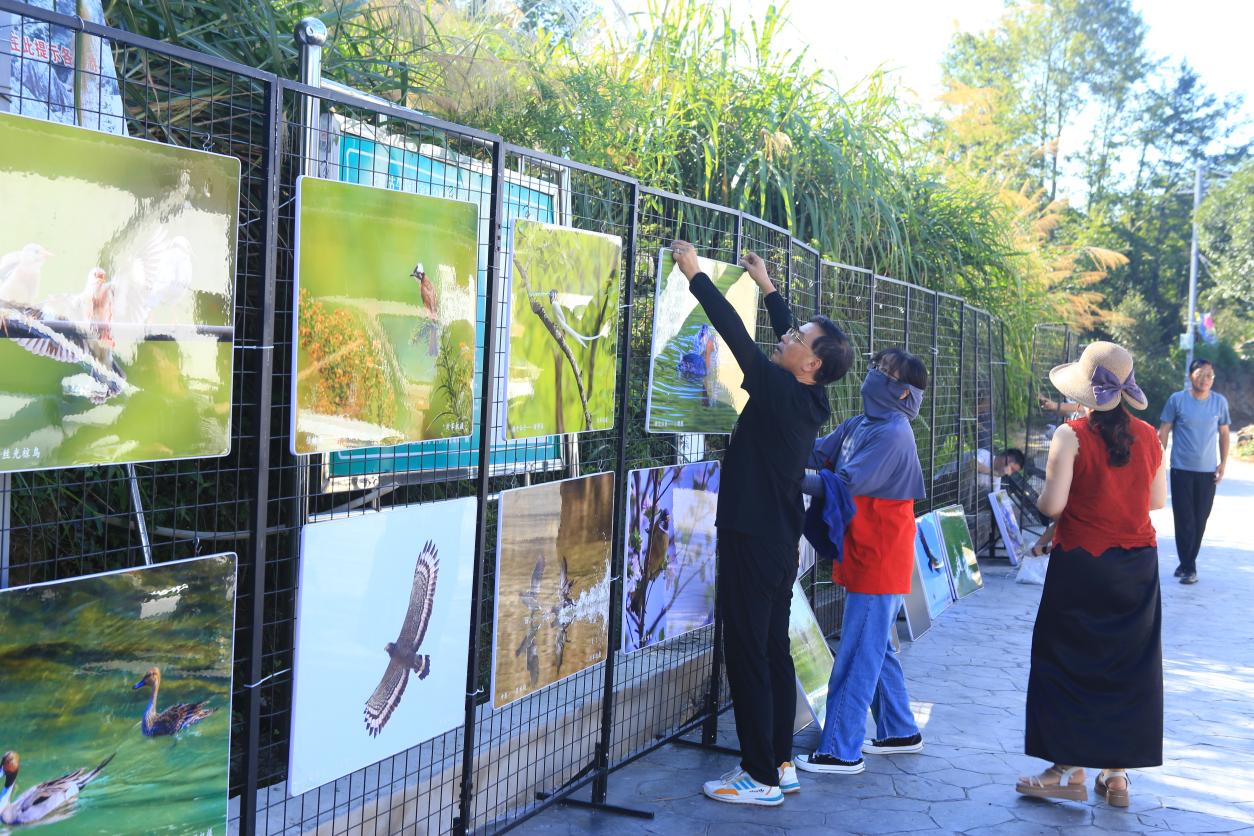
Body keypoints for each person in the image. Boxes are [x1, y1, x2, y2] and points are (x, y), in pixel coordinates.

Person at [668, 240, 854, 806]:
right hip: (777, 538)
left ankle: (759, 777)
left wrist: (696, 276)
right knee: (772, 649)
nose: (788, 336)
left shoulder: (778, 389)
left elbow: (739, 341)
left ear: (811, 365)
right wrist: (768, 285)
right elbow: (790, 337)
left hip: (754, 536)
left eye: (799, 340)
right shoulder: (809, 396)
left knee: (749, 652)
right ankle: (779, 760)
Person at [1016, 341, 1167, 808]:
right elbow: (1156, 502)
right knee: (1128, 668)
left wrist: (1055, 497)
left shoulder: (1071, 434)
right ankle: (1116, 775)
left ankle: (1066, 769)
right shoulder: (1148, 436)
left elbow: (1051, 505)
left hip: (1082, 563)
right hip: (1137, 567)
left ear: (1085, 390)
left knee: (1066, 662)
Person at [794, 347, 928, 775]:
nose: (872, 376)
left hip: (881, 558)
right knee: (876, 648)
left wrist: (784, 478)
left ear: (902, 393)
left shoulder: (893, 432)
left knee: (855, 655)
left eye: (884, 373)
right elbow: (819, 454)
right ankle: (899, 730)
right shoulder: (861, 424)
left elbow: (842, 484)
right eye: (875, 368)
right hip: (868, 552)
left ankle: (840, 749)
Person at [1158, 359, 1231, 585]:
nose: (1205, 379)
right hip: (1181, 469)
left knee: (1200, 520)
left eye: (1209, 375)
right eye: (1201, 374)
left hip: (1207, 472)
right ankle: (1189, 567)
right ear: (1191, 375)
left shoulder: (1219, 402)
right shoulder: (1177, 400)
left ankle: (1185, 563)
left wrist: (1223, 464)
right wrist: (1159, 463)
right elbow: (1164, 431)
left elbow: (1225, 434)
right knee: (1184, 519)